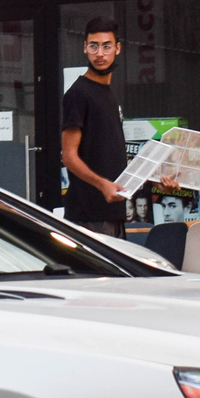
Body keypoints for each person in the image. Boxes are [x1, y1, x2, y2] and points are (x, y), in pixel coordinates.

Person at [59, 18, 130, 236]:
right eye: (94, 46)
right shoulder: (79, 93)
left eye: (106, 46)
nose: (100, 53)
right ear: (85, 48)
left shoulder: (108, 94)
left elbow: (111, 154)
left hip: (113, 212)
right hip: (88, 215)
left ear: (117, 48)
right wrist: (102, 185)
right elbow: (69, 157)